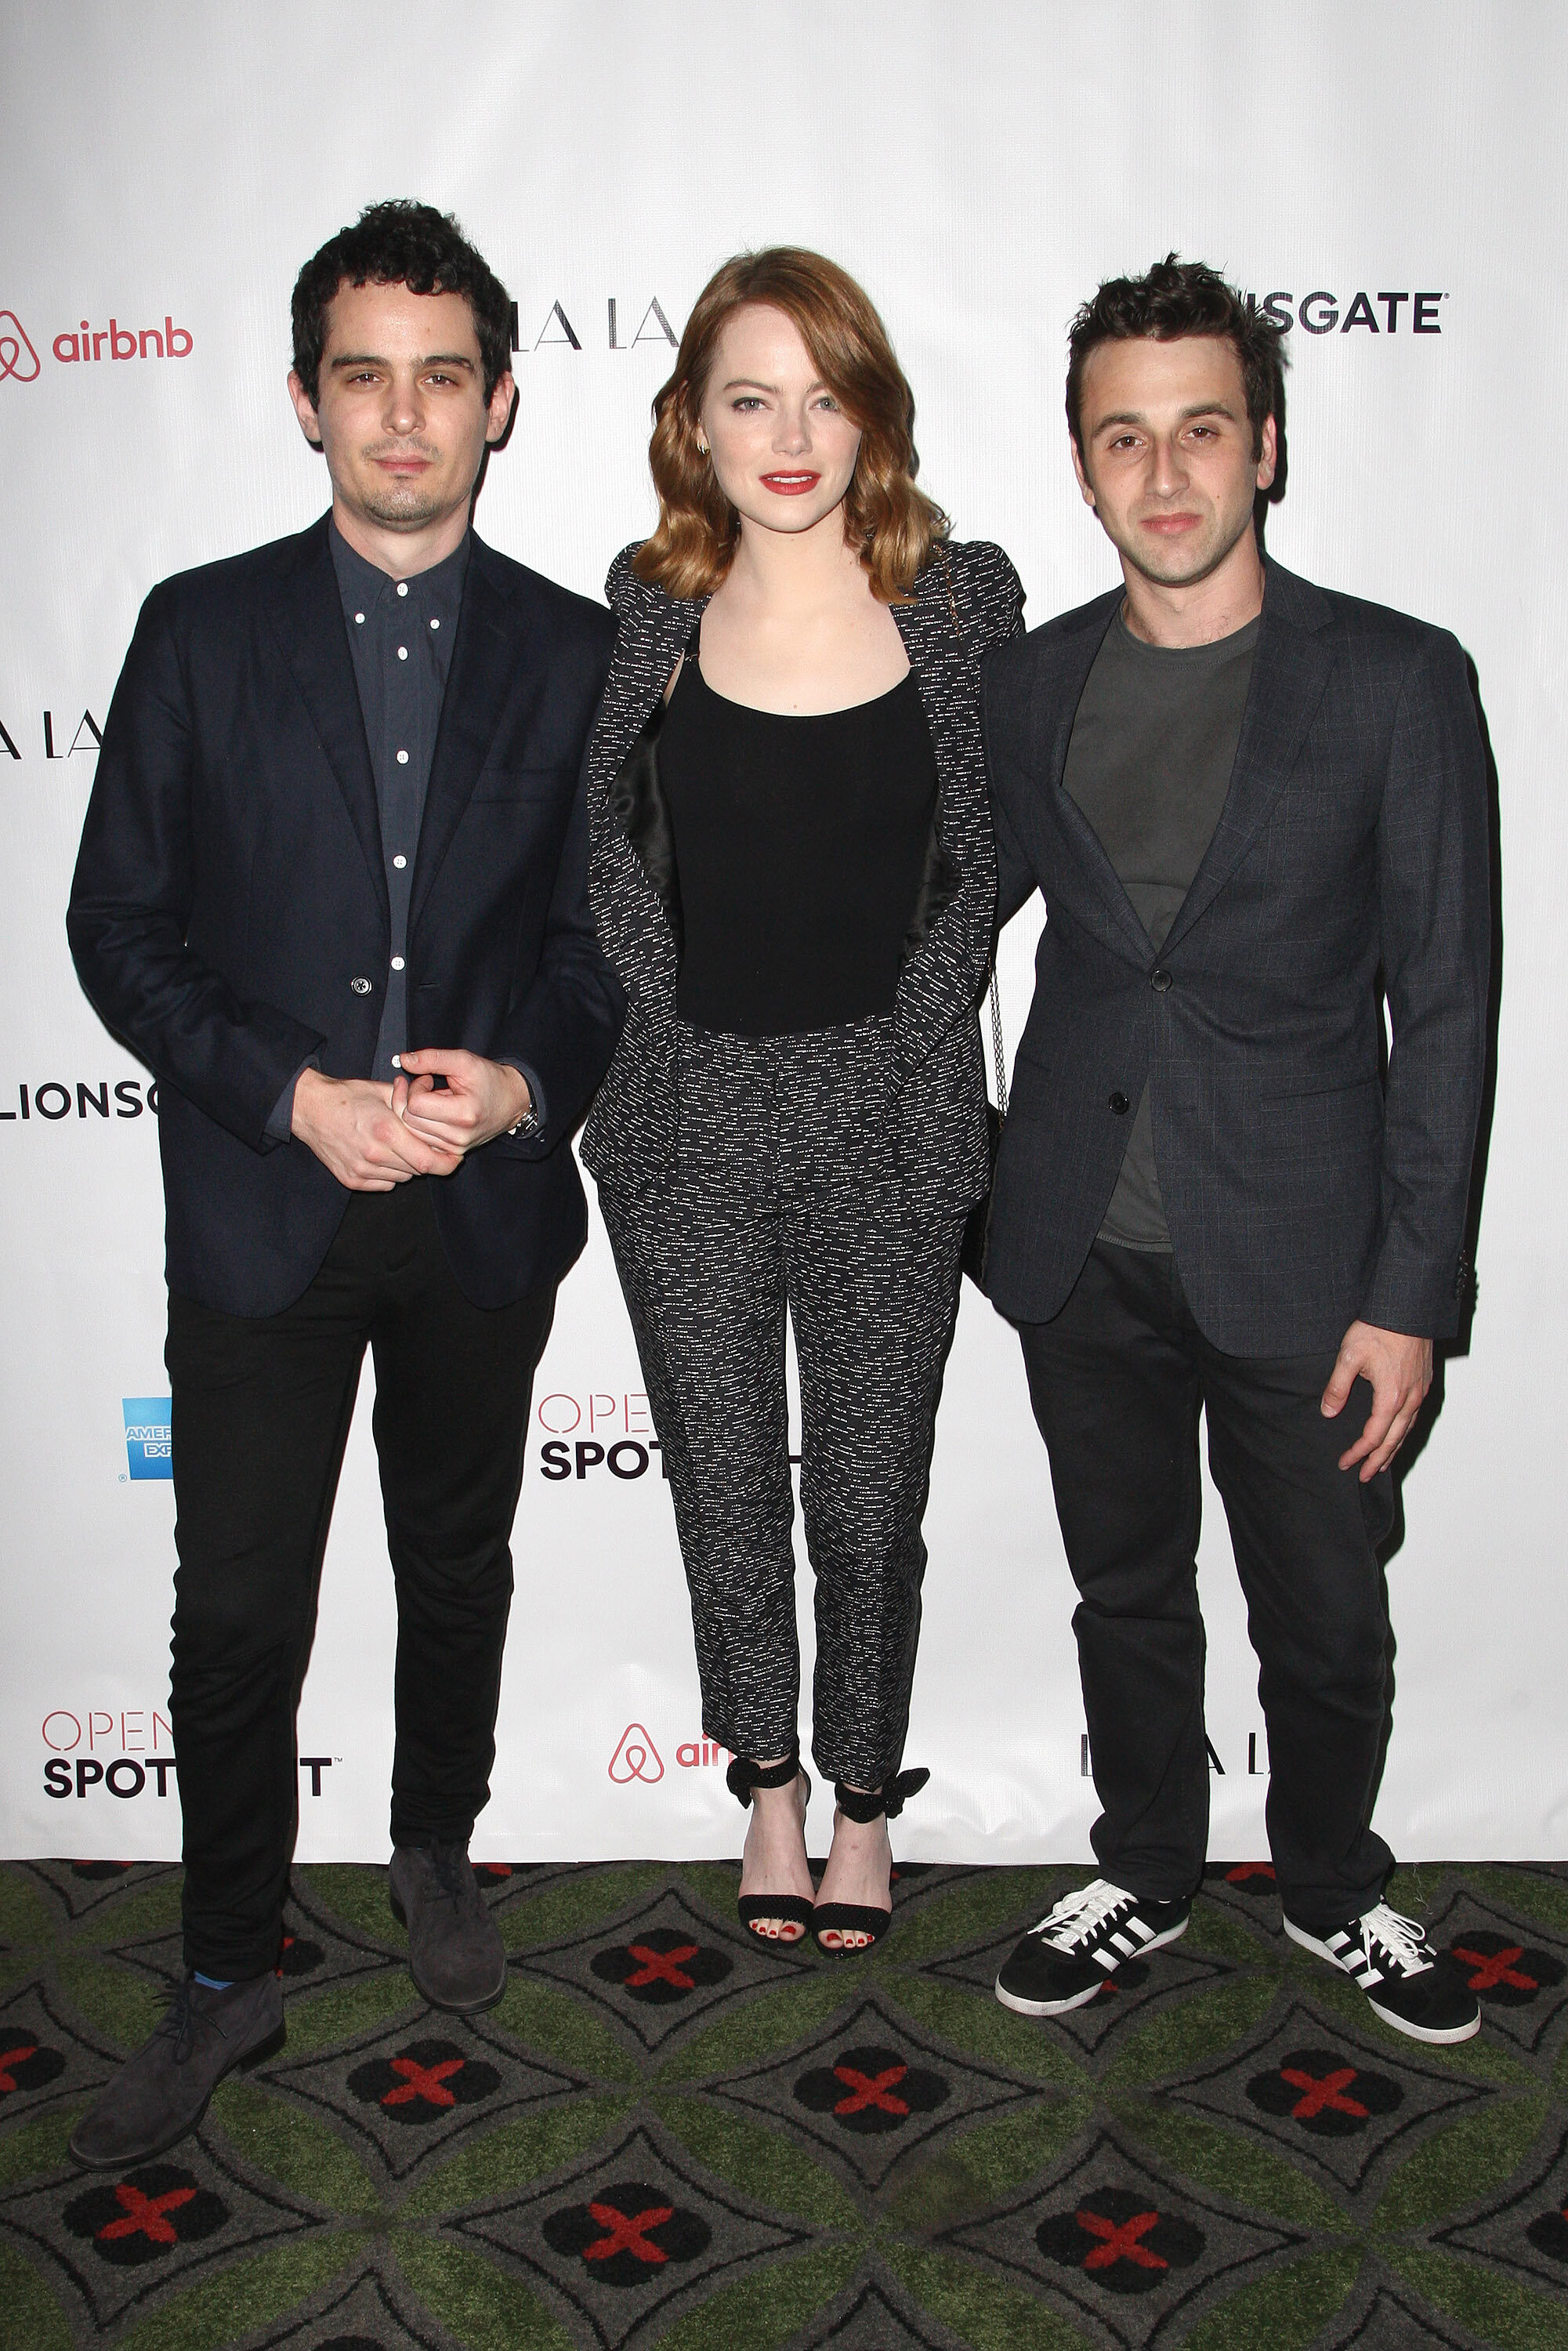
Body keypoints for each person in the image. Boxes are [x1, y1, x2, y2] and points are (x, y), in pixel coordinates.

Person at [65, 200, 622, 2164]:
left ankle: (434, 1844)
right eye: (363, 377)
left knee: (456, 1565)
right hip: (263, 1204)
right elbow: (116, 926)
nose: (402, 416)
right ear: (305, 400)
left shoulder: (578, 652)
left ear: (499, 404)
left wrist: (523, 1082)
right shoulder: (197, 630)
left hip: (475, 1211)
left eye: (440, 378)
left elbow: (599, 947)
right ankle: (228, 1964)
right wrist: (288, 1096)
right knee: (236, 1612)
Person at [981, 255, 1490, 2043]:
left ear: (1263, 445)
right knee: (1124, 1595)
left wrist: (1409, 1293)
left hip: (1308, 1260)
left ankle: (1334, 1887)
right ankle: (1143, 1865)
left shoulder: (1394, 680)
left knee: (1326, 1620)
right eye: (1123, 437)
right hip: (1078, 1247)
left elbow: (1446, 1006)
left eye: (1200, 428)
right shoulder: (1027, 686)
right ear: (1082, 465)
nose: (1164, 471)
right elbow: (942, 936)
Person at [582, 248, 1021, 1955]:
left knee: (864, 1498)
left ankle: (860, 1803)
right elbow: (605, 855)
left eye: (820, 398)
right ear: (692, 422)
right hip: (683, 1121)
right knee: (723, 1493)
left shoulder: (959, 601)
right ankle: (763, 1786)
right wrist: (664, 1036)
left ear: (870, 416)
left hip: (892, 1117)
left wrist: (904, 1044)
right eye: (748, 399)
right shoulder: (645, 605)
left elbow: (989, 857)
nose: (786, 437)